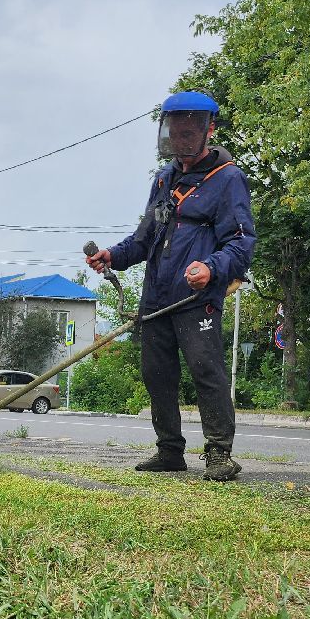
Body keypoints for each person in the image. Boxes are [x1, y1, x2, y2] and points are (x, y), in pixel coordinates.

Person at [87, 91, 255, 481]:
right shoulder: (164, 179)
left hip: (197, 297)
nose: (181, 140)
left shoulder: (227, 179)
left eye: (188, 133)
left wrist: (212, 268)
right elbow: (145, 239)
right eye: (175, 133)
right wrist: (113, 255)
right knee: (156, 373)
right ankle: (169, 451)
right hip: (156, 297)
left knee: (205, 370)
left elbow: (242, 242)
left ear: (208, 130)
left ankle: (218, 454)